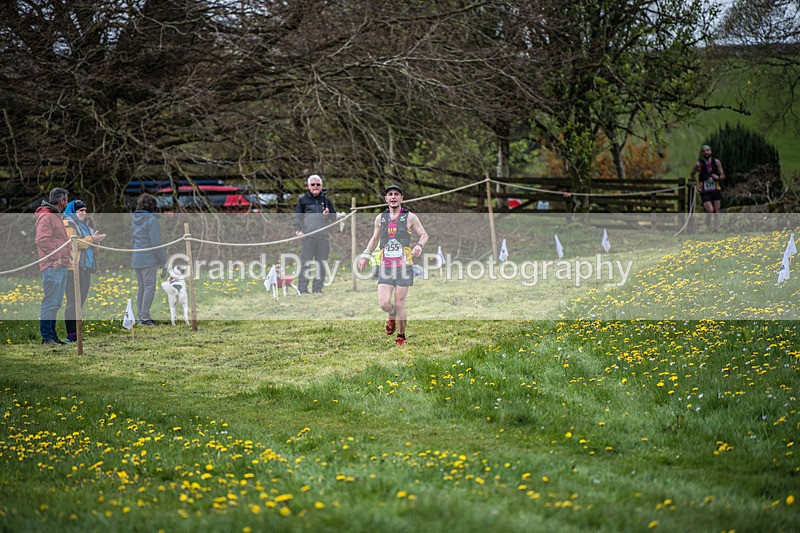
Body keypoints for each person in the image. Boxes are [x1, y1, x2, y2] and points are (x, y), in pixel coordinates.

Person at [357, 185, 428, 346]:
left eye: (397, 194)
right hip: (386, 267)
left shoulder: (410, 217)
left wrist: (419, 245)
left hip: (404, 267)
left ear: (401, 198)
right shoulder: (380, 218)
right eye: (390, 194)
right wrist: (365, 255)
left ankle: (401, 336)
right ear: (386, 199)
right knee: (384, 303)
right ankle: (392, 315)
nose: (393, 197)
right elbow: (375, 239)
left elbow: (424, 234)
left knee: (400, 302)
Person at [63, 200, 106, 342]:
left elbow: (89, 244)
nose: (84, 213)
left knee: (80, 301)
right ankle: (71, 334)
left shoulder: (85, 225)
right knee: (72, 302)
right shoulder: (68, 223)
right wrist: (91, 239)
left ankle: (77, 333)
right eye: (80, 210)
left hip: (86, 268)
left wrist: (97, 240)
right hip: (73, 268)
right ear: (73, 211)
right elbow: (73, 243)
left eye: (85, 210)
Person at [35, 187, 71, 345]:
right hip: (53, 265)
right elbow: (42, 240)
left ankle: (52, 335)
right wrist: (56, 257)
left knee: (56, 302)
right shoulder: (47, 216)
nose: (67, 202)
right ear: (62, 201)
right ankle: (47, 337)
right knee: (50, 301)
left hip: (60, 264)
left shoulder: (54, 216)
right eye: (67, 199)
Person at [293, 174, 336, 294]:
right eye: (313, 184)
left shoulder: (326, 200)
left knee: (321, 263)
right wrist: (298, 230)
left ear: (321, 186)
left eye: (318, 184)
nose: (315, 186)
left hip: (323, 237)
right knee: (306, 263)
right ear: (308, 186)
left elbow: (334, 217)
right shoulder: (303, 200)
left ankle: (317, 288)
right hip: (308, 237)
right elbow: (297, 217)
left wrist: (329, 213)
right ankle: (302, 289)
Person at [131, 193, 166, 325]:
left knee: (141, 287)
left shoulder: (134, 219)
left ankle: (141, 316)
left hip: (136, 257)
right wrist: (163, 261)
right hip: (148, 258)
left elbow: (133, 240)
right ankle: (144, 317)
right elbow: (155, 242)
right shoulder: (151, 220)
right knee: (149, 287)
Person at [690, 144, 725, 215]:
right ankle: (708, 222)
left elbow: (723, 176)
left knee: (717, 211)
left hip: (715, 189)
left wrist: (718, 177)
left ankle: (716, 226)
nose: (705, 152)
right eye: (703, 151)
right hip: (705, 190)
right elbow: (692, 174)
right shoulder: (698, 164)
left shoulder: (717, 162)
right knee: (710, 210)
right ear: (702, 153)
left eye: (707, 150)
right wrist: (697, 185)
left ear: (710, 151)